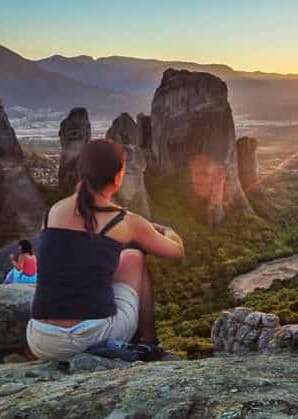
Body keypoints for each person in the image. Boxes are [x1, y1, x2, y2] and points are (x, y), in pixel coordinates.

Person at [27, 139, 184, 362]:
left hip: (41, 340)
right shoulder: (123, 220)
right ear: (118, 177)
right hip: (90, 337)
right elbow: (176, 251)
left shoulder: (53, 211)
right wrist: (168, 231)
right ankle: (149, 343)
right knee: (135, 257)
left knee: (115, 259)